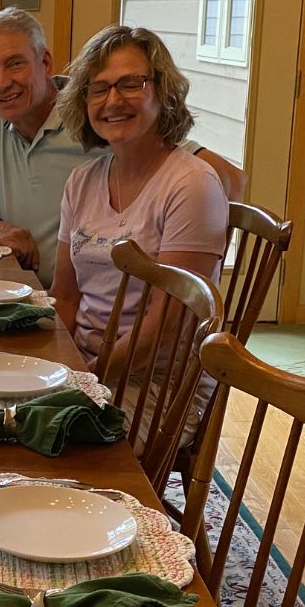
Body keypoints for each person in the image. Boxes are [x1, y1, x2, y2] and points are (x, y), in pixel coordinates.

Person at [0, 8, 243, 287]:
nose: (1, 83)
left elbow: (229, 179)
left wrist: (188, 258)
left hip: (105, 307)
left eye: (14, 64)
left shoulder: (100, 116)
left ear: (44, 62)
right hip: (33, 297)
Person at [48, 25, 228, 380]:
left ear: (163, 92)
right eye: (98, 88)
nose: (113, 100)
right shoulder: (81, 181)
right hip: (86, 369)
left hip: (153, 388)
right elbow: (65, 297)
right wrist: (53, 367)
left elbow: (166, 323)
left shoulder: (192, 185)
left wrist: (87, 377)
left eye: (131, 83)